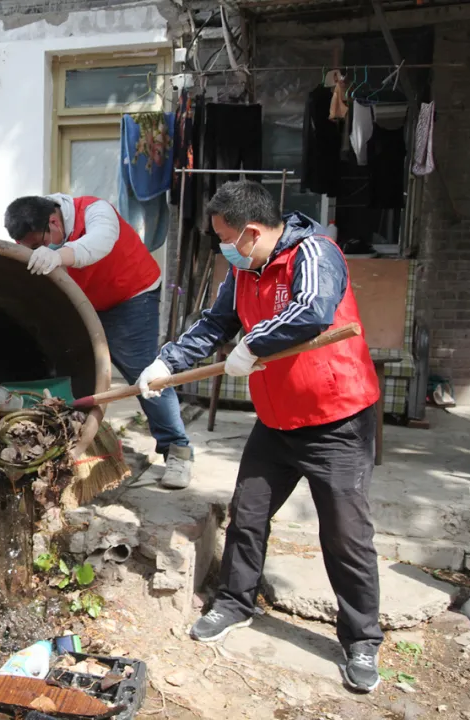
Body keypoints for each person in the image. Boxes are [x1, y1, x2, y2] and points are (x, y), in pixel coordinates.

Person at [137, 180, 383, 693]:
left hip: (335, 420)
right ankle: (234, 603)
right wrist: (167, 363)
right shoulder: (243, 270)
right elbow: (215, 324)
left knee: (346, 534)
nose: (222, 247)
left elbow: (312, 310)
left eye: (225, 238)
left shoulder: (315, 254)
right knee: (247, 515)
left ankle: (362, 639)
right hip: (276, 420)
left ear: (250, 232)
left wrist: (255, 343)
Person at [4, 193, 194, 488]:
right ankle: (67, 440)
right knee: (69, 366)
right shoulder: (34, 224)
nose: (37, 251)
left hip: (131, 296)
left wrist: (57, 255)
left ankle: (177, 450)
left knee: (146, 375)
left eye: (38, 245)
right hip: (87, 302)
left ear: (54, 222)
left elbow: (98, 244)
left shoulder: (95, 211)